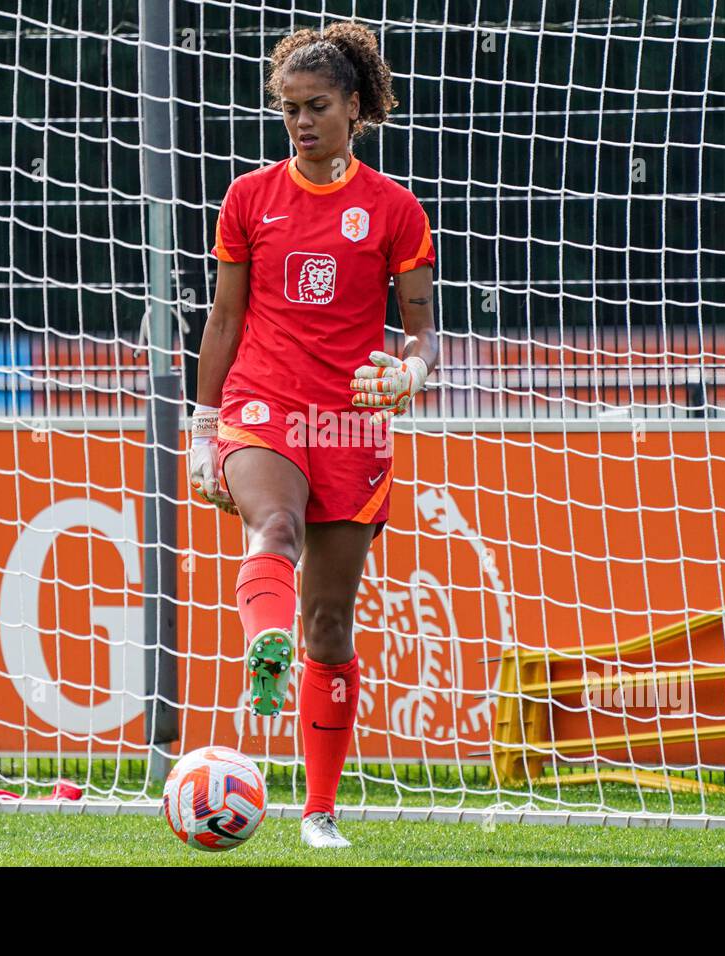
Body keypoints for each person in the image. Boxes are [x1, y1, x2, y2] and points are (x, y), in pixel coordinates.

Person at [189, 21, 438, 849]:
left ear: (355, 107)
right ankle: (266, 647)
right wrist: (202, 426)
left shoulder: (395, 211)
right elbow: (224, 318)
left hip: (349, 421)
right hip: (261, 403)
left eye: (316, 106)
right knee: (274, 528)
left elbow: (420, 332)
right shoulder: (248, 198)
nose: (300, 122)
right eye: (289, 108)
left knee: (328, 626)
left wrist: (411, 374)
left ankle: (319, 812)